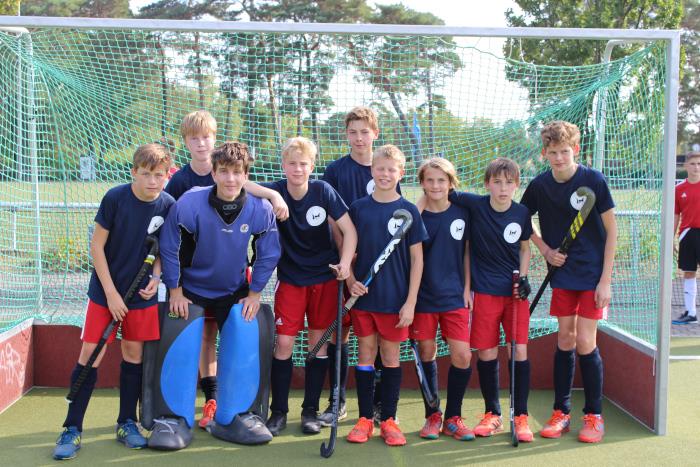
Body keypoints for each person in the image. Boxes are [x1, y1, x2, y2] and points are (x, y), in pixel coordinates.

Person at [164, 111, 288, 429]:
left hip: (233, 287)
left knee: (236, 340)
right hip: (191, 288)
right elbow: (170, 245)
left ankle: (233, 411)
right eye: (224, 172)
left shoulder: (259, 209)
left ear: (246, 175)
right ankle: (197, 406)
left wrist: (255, 293)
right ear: (214, 174)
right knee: (197, 341)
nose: (230, 179)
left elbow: (269, 254)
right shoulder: (188, 199)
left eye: (237, 173)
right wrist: (175, 289)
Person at [52, 144, 175, 460]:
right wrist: (110, 294)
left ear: (167, 175)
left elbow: (162, 249)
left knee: (133, 355)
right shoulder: (115, 198)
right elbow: (96, 247)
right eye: (145, 174)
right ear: (134, 172)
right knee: (90, 355)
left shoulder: (168, 205)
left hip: (140, 297)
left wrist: (156, 277)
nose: (152, 181)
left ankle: (126, 423)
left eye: (158, 175)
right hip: (104, 293)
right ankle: (71, 428)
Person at [521, 120, 617, 443]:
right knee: (564, 338)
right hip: (561, 273)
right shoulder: (539, 185)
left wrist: (606, 280)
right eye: (553, 152)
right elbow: (521, 220)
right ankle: (561, 413)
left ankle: (594, 415)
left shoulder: (594, 180)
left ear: (575, 149)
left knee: (585, 341)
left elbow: (612, 231)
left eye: (564, 151)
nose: (559, 158)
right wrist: (545, 250)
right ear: (544, 154)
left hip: (592, 275)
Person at [262, 137, 357, 436]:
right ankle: (278, 412)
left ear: (312, 166)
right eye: (292, 163)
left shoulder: (323, 190)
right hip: (291, 280)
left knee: (318, 346)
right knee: (284, 344)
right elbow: (243, 186)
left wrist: (345, 263)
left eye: (303, 164)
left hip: (324, 280)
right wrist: (272, 196)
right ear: (283, 165)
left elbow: (349, 231)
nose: (297, 169)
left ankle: (310, 411)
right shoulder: (277, 190)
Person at [319, 106, 401, 426]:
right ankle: (337, 400)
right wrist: (346, 257)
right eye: (352, 132)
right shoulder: (336, 170)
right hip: (344, 265)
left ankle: (379, 403)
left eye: (364, 132)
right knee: (341, 332)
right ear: (346, 134)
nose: (358, 138)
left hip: (380, 269)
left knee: (377, 335)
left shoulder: (385, 169)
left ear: (375, 134)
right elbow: (333, 219)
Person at [345, 145, 427, 447]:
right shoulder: (358, 209)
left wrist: (411, 302)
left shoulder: (410, 211)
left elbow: (417, 260)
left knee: (391, 357)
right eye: (380, 168)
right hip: (364, 300)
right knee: (365, 354)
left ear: (401, 173)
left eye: (391, 169)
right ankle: (365, 419)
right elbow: (347, 252)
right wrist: (351, 282)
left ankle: (389, 419)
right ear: (372, 170)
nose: (385, 174)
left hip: (395, 301)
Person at [449, 157, 534, 443]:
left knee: (518, 350)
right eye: (497, 182)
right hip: (484, 292)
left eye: (509, 183)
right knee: (486, 352)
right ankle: (493, 413)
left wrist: (524, 277)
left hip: (514, 294)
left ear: (516, 185)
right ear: (487, 184)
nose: (503, 188)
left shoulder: (521, 213)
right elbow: (444, 189)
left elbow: (525, 248)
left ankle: (520, 416)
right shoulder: (474, 205)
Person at [412, 158, 474, 441]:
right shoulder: (416, 215)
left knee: (462, 354)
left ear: (451, 183)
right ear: (422, 183)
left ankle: (453, 417)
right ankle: (432, 415)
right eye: (430, 180)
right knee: (427, 352)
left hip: (454, 296)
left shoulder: (462, 213)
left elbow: (467, 253)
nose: (436, 185)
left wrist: (467, 288)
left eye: (441, 180)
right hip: (423, 297)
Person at [673, 151, 700, 325]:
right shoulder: (679, 189)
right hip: (687, 234)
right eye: (693, 164)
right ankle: (691, 313)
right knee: (689, 272)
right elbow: (676, 215)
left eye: (699, 164)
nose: (696, 167)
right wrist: (671, 239)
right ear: (685, 166)